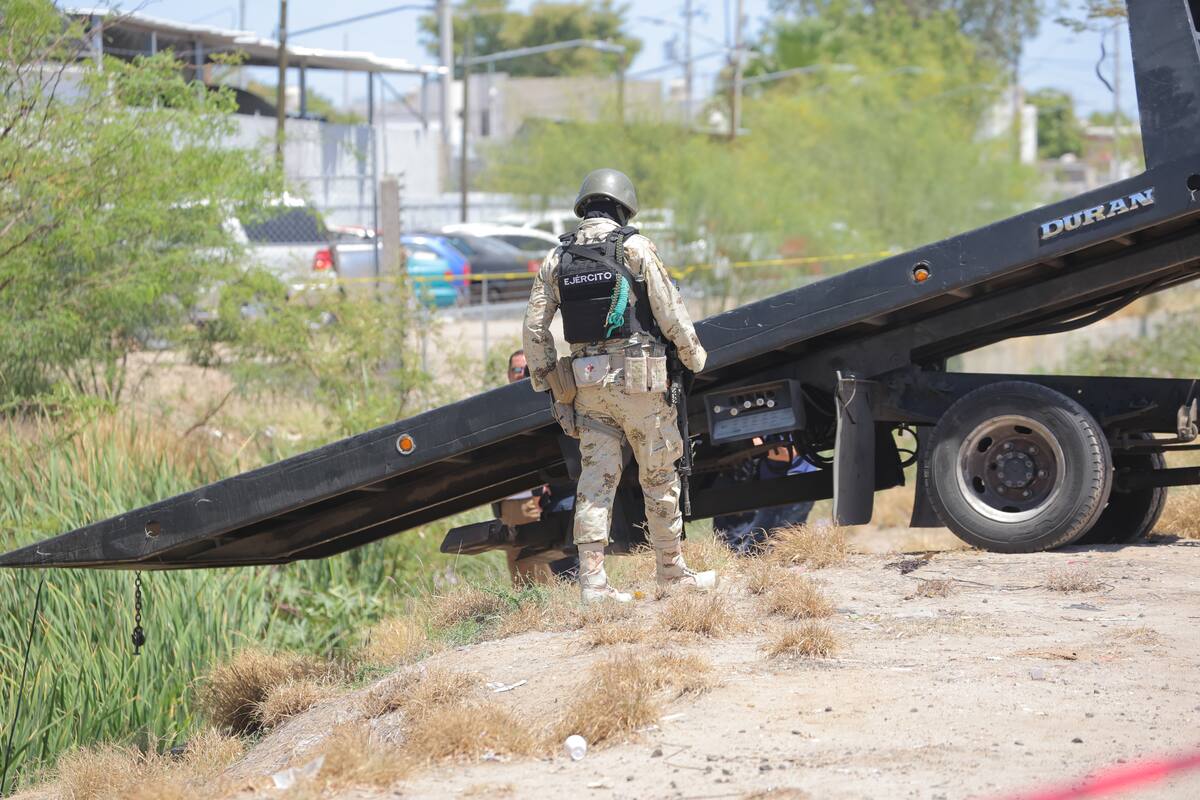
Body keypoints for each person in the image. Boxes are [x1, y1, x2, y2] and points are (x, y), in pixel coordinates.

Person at [523, 168, 713, 603]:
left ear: (584, 208)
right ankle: (671, 572)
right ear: (624, 208)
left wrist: (551, 383)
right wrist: (694, 359)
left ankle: (593, 584)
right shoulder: (635, 247)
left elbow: (534, 329)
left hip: (588, 388)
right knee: (660, 474)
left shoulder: (558, 258)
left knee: (595, 482)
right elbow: (669, 310)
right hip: (641, 385)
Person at [713, 434, 817, 555]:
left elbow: (788, 453)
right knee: (776, 545)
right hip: (777, 489)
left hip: (790, 486)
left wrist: (755, 446)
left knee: (759, 549)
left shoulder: (788, 428)